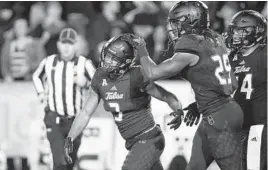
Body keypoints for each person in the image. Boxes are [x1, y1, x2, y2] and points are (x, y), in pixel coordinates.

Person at [127, 1, 244, 170]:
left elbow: (153, 73)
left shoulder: (191, 43)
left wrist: (142, 48)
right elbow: (231, 84)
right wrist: (199, 105)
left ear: (191, 21)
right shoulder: (214, 37)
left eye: (177, 22)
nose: (173, 27)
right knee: (194, 166)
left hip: (219, 116)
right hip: (220, 112)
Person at [64, 34, 184, 170]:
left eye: (113, 59)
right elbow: (86, 112)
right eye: (107, 55)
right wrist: (70, 137)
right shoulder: (99, 77)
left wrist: (178, 109)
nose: (107, 61)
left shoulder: (136, 75)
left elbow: (166, 96)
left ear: (125, 62)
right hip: (134, 142)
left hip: (149, 139)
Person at [33, 28, 96, 170]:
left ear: (76, 45)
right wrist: (41, 93)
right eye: (64, 43)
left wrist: (85, 83)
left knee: (69, 161)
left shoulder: (84, 63)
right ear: (58, 45)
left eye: (70, 43)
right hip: (53, 117)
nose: (67, 47)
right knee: (59, 159)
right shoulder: (49, 62)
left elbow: (100, 84)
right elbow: (36, 76)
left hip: (75, 121)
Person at [225, 10, 267, 170]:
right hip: (239, 126)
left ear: (256, 32)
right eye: (234, 30)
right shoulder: (232, 58)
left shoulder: (264, 54)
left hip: (259, 125)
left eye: (241, 30)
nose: (236, 34)